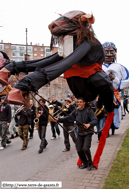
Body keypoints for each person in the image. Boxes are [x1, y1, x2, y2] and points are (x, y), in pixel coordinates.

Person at [0, 11, 115, 169]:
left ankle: (108, 106)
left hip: (92, 85)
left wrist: (25, 83)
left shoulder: (89, 43)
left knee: (101, 80)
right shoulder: (68, 48)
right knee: (80, 147)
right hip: (77, 87)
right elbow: (44, 61)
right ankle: (84, 162)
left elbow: (64, 64)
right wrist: (11, 66)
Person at [55, 97, 98, 170]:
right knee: (79, 149)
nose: (79, 103)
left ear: (84, 103)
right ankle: (85, 163)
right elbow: (68, 118)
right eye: (78, 102)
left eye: (80, 102)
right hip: (80, 133)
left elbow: (95, 120)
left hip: (88, 132)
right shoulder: (76, 111)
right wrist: (58, 119)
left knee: (85, 148)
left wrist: (89, 124)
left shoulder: (89, 111)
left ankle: (90, 163)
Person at [102, 42, 129, 131]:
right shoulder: (98, 66)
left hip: (115, 94)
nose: (109, 54)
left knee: (116, 109)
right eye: (106, 52)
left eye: (111, 51)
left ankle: (115, 124)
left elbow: (127, 81)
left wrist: (115, 79)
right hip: (102, 94)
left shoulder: (120, 67)